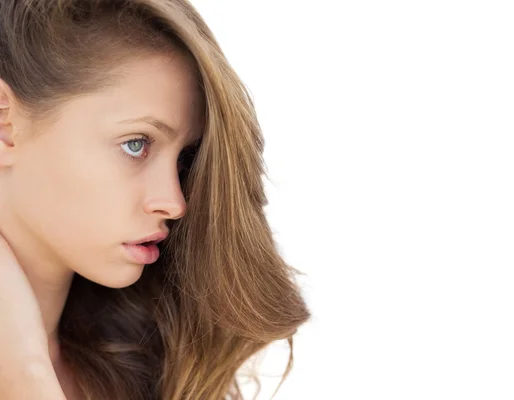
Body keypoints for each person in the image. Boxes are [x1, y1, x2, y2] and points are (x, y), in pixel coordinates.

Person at [0, 1, 311, 399]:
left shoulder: (148, 372)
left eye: (184, 159)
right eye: (136, 144)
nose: (175, 202)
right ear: (6, 124)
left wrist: (27, 375)